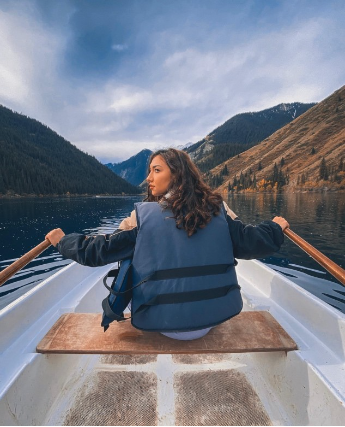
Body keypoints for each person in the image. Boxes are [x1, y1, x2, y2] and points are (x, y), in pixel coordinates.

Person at [46, 148, 289, 340]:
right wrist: (275, 228)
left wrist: (63, 242)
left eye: (156, 170)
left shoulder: (143, 219)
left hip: (162, 324)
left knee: (130, 254)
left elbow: (98, 252)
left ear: (177, 174)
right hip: (212, 320)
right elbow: (252, 242)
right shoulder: (218, 209)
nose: (148, 178)